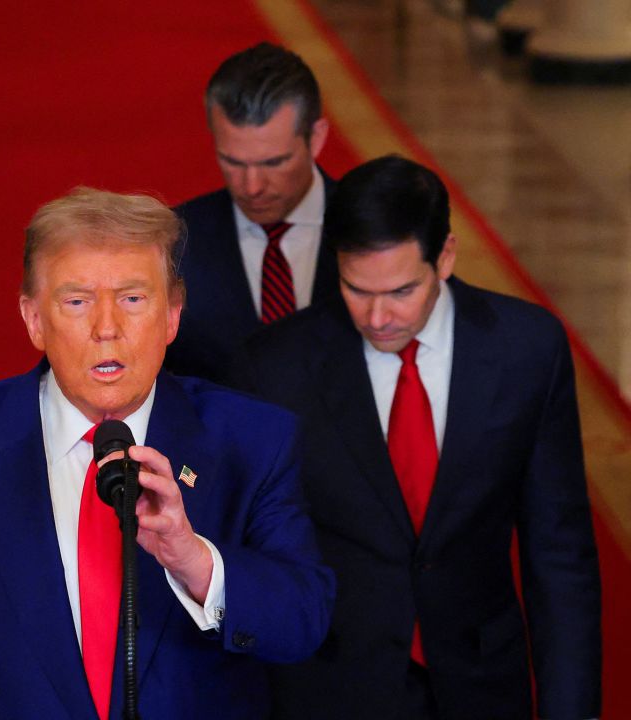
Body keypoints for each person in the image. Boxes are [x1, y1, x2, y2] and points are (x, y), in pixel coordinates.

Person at [0, 187, 334, 719]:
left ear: (173, 315)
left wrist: (195, 561)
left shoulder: (253, 440)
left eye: (133, 299)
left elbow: (301, 624)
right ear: (34, 319)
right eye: (77, 301)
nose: (106, 328)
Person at [232, 156, 601, 719]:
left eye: (402, 290)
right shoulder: (277, 368)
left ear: (445, 257)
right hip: (330, 688)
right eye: (356, 290)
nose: (378, 317)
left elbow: (560, 556)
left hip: (482, 685)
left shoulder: (528, 350)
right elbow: (252, 553)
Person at [166, 42, 339, 382]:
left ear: (316, 138)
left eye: (274, 162)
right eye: (232, 162)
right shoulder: (174, 242)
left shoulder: (377, 229)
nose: (252, 186)